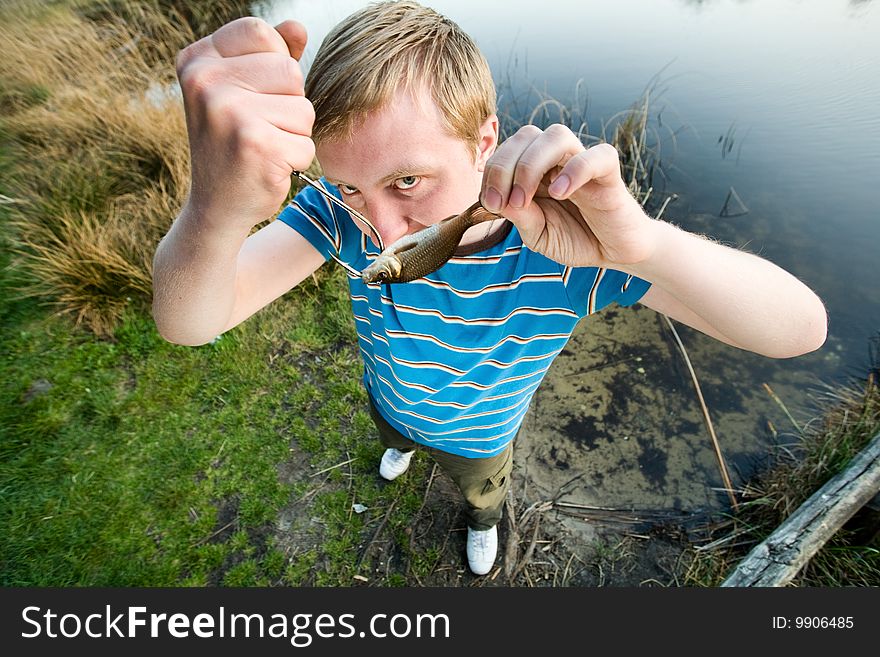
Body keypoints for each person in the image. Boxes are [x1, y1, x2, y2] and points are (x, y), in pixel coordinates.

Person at [152, 1, 828, 576]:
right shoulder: (333, 215)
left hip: (482, 433)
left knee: (480, 490)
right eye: (350, 184)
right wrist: (215, 207)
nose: (381, 225)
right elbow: (189, 321)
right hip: (391, 397)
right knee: (396, 433)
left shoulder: (566, 251)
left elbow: (799, 328)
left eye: (408, 180)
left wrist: (644, 245)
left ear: (485, 143)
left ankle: (482, 518)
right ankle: (400, 446)